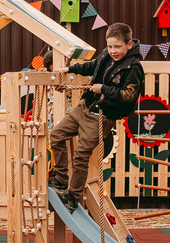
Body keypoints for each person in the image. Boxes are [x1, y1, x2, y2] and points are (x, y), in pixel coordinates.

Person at [48, 22, 144, 212]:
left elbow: (128, 96)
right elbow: (92, 66)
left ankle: (73, 197)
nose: (113, 51)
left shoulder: (133, 67)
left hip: (101, 116)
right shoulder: (106, 56)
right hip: (84, 107)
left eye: (118, 46)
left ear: (129, 44)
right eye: (110, 46)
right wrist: (70, 69)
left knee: (81, 155)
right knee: (56, 135)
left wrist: (104, 89)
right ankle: (60, 178)